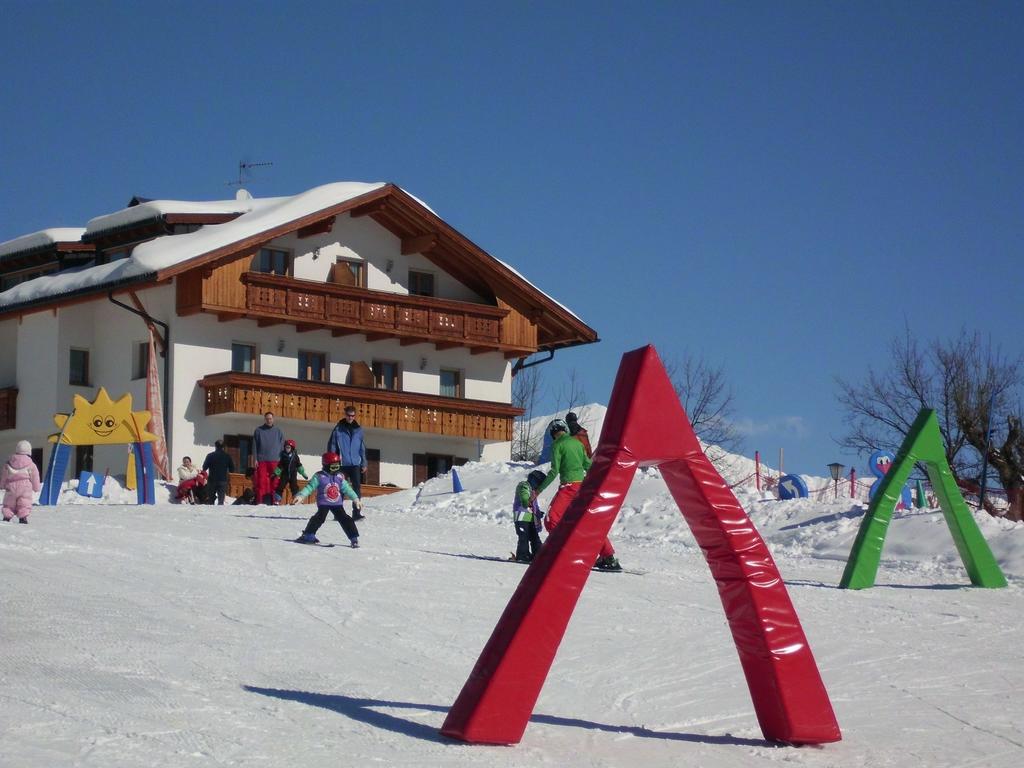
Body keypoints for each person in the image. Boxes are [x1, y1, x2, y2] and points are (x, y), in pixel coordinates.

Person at [535, 418, 621, 571]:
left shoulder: (557, 445)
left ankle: (561, 552)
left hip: (568, 488)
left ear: (553, 433)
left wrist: (538, 490)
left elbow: (554, 471)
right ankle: (608, 557)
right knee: (589, 523)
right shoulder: (578, 443)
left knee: (551, 519)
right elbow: (589, 465)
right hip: (581, 489)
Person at [292, 451, 363, 548]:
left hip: (337, 503)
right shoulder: (319, 476)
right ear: (325, 465)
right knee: (319, 518)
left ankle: (354, 538)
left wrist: (355, 499)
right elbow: (309, 487)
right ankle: (308, 535)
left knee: (345, 519)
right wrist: (301, 496)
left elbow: (347, 489)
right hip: (324, 503)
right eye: (333, 467)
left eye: (338, 467)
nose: (336, 470)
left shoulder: (339, 477)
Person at [327, 405, 368, 520]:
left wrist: (364, 463)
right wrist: (331, 462)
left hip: (355, 463)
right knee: (340, 489)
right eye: (349, 415)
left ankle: (356, 513)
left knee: (356, 488)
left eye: (353, 416)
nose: (350, 418)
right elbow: (332, 446)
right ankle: (338, 514)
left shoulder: (359, 430)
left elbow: (362, 448)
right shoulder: (338, 429)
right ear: (345, 415)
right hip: (342, 463)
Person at [510, 469, 546, 563]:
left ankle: (539, 554)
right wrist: (526, 500)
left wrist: (538, 513)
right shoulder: (523, 485)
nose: (539, 486)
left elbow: (534, 505)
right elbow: (524, 495)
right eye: (539, 483)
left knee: (534, 537)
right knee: (524, 536)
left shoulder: (533, 491)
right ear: (534, 480)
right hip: (521, 517)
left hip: (530, 518)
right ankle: (522, 555)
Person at [2, 440, 40, 523]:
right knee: (24, 502)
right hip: (25, 487)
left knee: (9, 502)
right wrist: (36, 487)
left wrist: (2, 484)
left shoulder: (9, 462)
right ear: (29, 451)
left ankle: (7, 516)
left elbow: (4, 475)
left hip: (11, 486)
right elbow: (35, 476)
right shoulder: (31, 464)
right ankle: (23, 517)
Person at [253, 411, 284, 505]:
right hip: (262, 460)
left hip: (276, 461)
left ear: (273, 419)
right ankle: (260, 501)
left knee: (275, 481)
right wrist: (255, 458)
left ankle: (275, 501)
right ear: (265, 419)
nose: (269, 420)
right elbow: (254, 445)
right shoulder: (258, 430)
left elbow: (282, 446)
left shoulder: (278, 431)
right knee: (261, 481)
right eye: (267, 419)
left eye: (270, 418)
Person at [273, 439, 308, 503]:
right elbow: (280, 466)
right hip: (284, 475)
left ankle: (297, 499)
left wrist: (303, 473)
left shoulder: (295, 457)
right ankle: (277, 499)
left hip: (293, 475)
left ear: (292, 448)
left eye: (288, 447)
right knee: (280, 486)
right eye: (286, 447)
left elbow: (298, 465)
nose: (287, 449)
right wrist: (275, 473)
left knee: (294, 487)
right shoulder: (283, 456)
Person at [202, 440, 236, 505]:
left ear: (215, 446)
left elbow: (204, 467)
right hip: (222, 480)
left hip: (212, 480)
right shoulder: (227, 456)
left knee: (211, 500)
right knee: (221, 501)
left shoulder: (210, 455)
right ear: (223, 447)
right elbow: (232, 469)